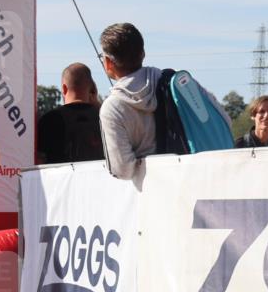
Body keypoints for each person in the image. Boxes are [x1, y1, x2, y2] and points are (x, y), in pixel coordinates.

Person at [99, 22, 228, 180]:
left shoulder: (113, 108)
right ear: (143, 53)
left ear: (108, 62)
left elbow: (122, 170)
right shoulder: (178, 82)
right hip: (198, 179)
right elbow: (224, 120)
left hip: (154, 193)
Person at [37, 62, 104, 163]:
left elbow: (39, 159)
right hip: (100, 178)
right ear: (91, 88)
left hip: (60, 178)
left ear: (64, 88)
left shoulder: (50, 120)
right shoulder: (105, 118)